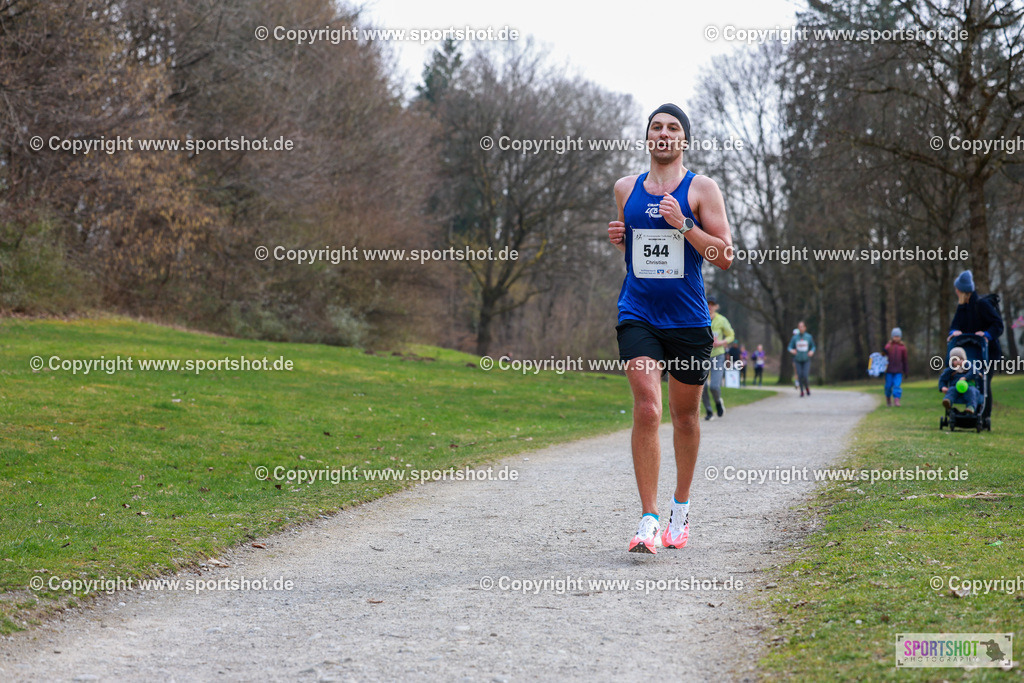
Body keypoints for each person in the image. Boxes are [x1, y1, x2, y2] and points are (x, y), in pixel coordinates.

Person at [607, 103, 733, 554]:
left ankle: (680, 508)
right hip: (637, 313)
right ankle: (648, 520)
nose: (664, 134)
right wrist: (621, 237)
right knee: (647, 409)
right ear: (647, 139)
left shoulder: (701, 188)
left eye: (673, 128)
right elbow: (636, 248)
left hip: (688, 320)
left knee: (684, 417)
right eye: (656, 128)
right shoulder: (626, 188)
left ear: (684, 141)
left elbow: (724, 254)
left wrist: (685, 226)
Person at [947, 270, 1003, 419]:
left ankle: (984, 416)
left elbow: (998, 324)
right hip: (970, 352)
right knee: (971, 381)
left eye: (957, 289)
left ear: (962, 290)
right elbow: (954, 325)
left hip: (988, 353)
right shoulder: (962, 307)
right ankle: (971, 413)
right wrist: (954, 332)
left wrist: (986, 334)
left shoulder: (982, 305)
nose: (955, 291)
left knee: (984, 382)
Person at [701, 296, 734, 421]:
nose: (709, 306)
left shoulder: (722, 320)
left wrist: (721, 342)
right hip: (703, 356)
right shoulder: (700, 318)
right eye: (707, 304)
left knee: (714, 386)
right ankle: (709, 411)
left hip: (718, 355)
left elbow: (731, 335)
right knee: (702, 386)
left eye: (712, 304)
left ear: (716, 306)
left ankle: (718, 402)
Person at [939, 347, 982, 413]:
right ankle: (948, 401)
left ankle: (970, 407)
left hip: (969, 386)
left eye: (961, 359)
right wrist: (943, 387)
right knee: (951, 391)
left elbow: (975, 372)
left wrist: (966, 378)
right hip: (955, 387)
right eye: (955, 359)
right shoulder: (951, 369)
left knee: (972, 392)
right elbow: (942, 378)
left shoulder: (969, 366)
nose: (958, 361)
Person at [788, 321, 816, 397]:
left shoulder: (808, 337)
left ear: (805, 327)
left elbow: (813, 346)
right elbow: (789, 347)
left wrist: (811, 351)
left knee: (805, 375)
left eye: (802, 326)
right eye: (799, 327)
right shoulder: (795, 338)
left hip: (806, 360)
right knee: (799, 375)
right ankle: (801, 391)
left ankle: (807, 388)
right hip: (798, 360)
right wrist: (792, 350)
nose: (800, 328)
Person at [884, 328, 908, 407]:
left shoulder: (903, 348)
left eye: (898, 336)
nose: (896, 338)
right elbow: (883, 358)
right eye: (895, 336)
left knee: (897, 386)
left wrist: (906, 371)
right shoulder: (888, 346)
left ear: (900, 337)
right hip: (889, 371)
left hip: (898, 371)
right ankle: (888, 398)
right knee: (888, 386)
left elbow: (905, 360)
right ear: (892, 337)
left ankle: (896, 400)